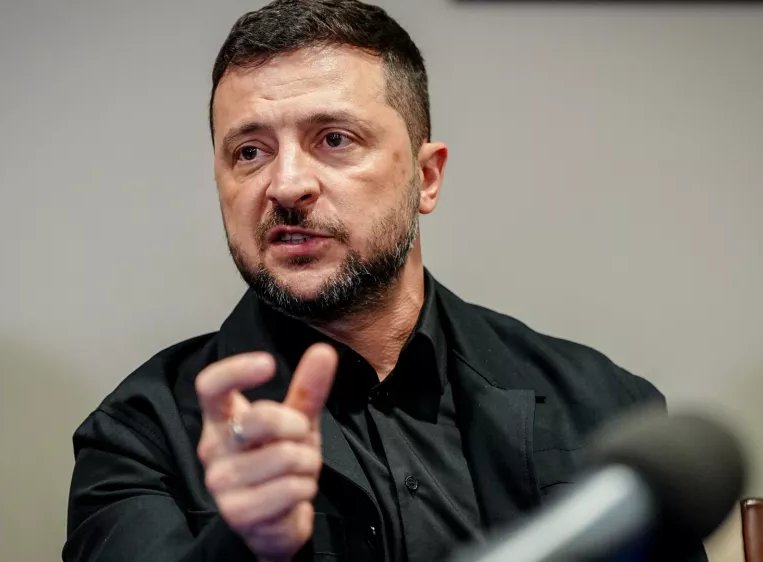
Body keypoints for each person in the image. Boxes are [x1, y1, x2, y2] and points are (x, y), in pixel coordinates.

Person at [63, 1, 706, 561]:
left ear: (426, 178)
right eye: (249, 151)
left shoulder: (600, 408)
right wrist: (247, 548)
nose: (286, 185)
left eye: (334, 139)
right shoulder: (138, 437)